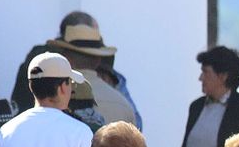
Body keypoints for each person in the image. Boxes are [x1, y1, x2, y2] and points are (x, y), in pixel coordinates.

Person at [11, 12, 142, 125]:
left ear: (64, 56)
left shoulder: (49, 95)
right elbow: (137, 128)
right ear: (98, 59)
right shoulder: (122, 102)